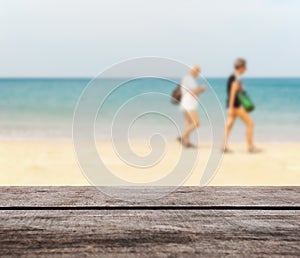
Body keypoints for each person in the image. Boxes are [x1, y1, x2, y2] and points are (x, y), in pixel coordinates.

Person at [224, 58, 258, 153]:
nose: (245, 69)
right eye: (245, 67)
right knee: (250, 123)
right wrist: (231, 108)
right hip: (235, 106)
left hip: (232, 106)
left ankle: (224, 146)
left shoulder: (233, 77)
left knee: (228, 126)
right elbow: (232, 93)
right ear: (241, 67)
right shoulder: (235, 78)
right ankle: (250, 146)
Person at [178, 65, 206, 148]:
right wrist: (201, 88)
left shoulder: (187, 79)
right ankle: (182, 136)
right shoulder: (189, 79)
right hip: (189, 104)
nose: (199, 73)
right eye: (198, 71)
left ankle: (187, 143)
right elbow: (193, 92)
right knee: (196, 123)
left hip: (185, 103)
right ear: (194, 71)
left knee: (188, 123)